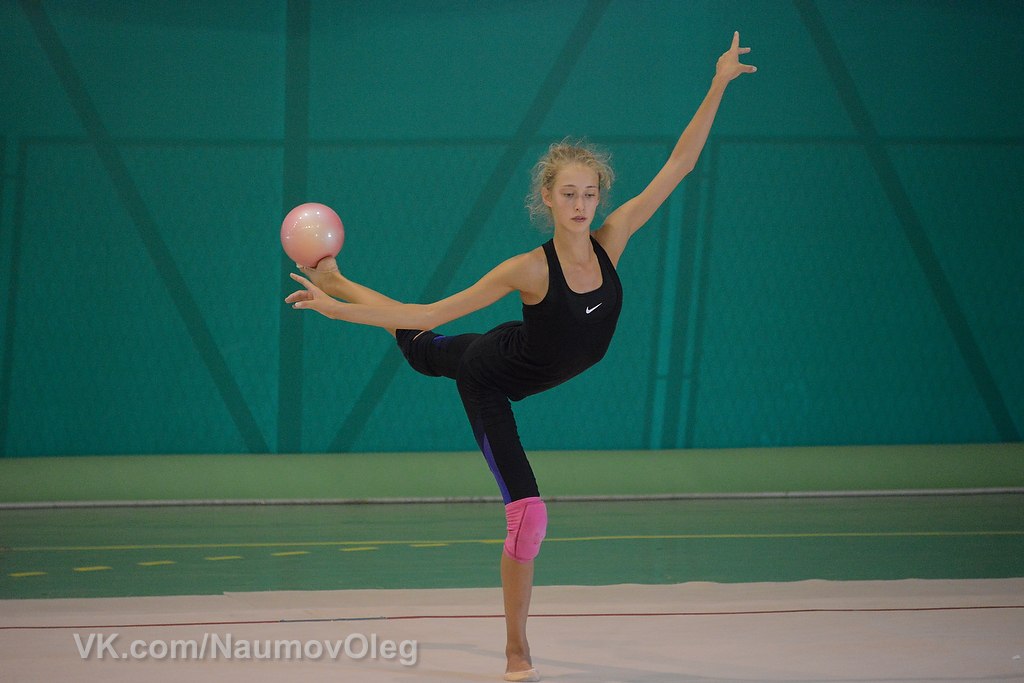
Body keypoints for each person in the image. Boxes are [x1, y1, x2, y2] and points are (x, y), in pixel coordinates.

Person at [286, 32, 755, 682]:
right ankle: (517, 649)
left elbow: (679, 164)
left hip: (506, 351)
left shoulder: (613, 239)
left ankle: (341, 279)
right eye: (568, 194)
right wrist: (335, 312)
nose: (581, 205)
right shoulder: (529, 269)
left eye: (589, 193)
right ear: (548, 199)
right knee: (526, 514)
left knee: (420, 348)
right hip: (489, 376)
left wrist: (718, 82)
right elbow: (431, 311)